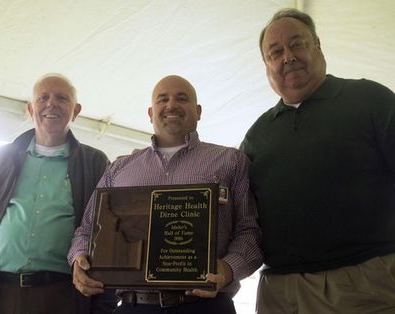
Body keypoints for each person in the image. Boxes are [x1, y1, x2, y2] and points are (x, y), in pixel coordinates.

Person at [240, 8, 395, 314]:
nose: (288, 56)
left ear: (318, 47)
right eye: (276, 51)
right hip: (279, 294)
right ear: (267, 65)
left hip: (366, 285)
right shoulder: (256, 135)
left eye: (298, 44)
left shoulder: (371, 100)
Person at [68, 75, 262, 313]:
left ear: (198, 111)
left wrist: (228, 269)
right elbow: (87, 230)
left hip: (205, 306)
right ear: (150, 113)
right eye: (163, 99)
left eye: (182, 98)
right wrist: (78, 259)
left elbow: (250, 233)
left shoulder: (231, 161)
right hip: (133, 306)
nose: (171, 105)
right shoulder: (119, 169)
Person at [0, 73, 117, 314]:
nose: (51, 104)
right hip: (2, 291)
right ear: (31, 109)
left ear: (76, 110)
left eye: (62, 98)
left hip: (62, 294)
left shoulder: (95, 162)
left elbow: (107, 233)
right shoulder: (2, 159)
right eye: (43, 98)